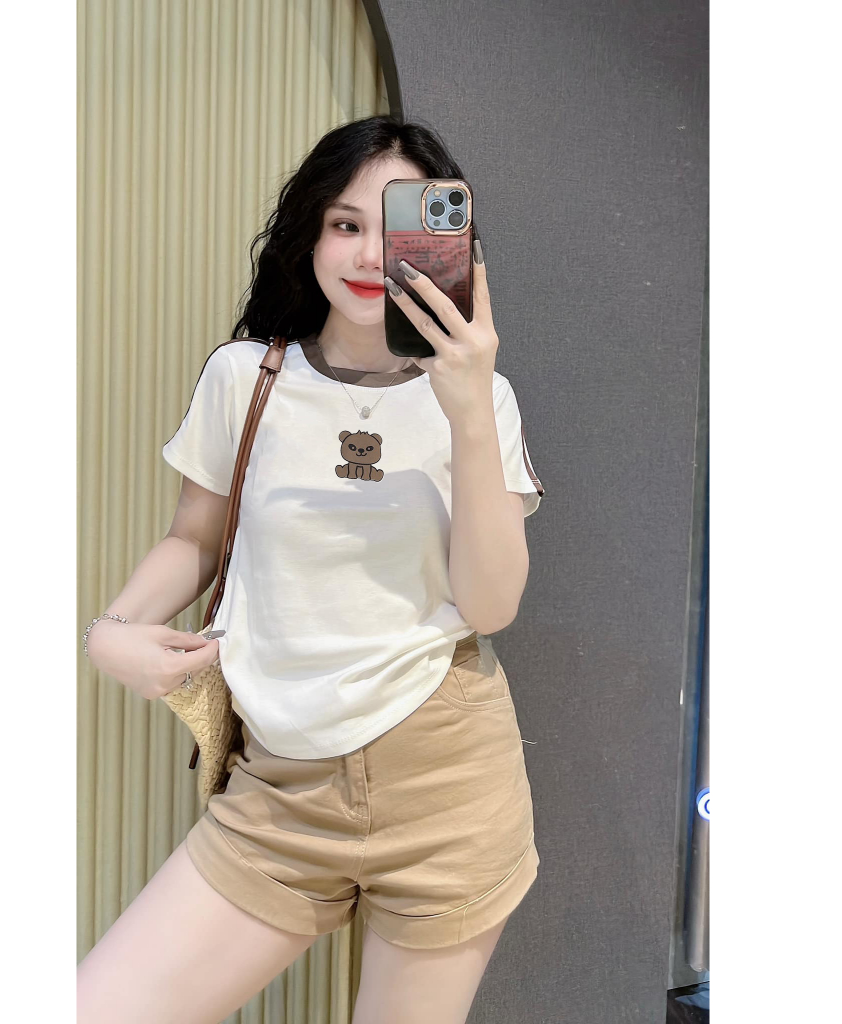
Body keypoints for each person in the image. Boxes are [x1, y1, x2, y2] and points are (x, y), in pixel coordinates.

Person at [77, 114, 545, 1024]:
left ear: (445, 247)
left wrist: (467, 407)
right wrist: (111, 633)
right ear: (311, 234)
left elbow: (490, 604)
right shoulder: (244, 377)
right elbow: (194, 540)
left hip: (445, 781)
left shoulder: (482, 399)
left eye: (393, 225)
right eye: (343, 223)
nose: (368, 253)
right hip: (279, 791)